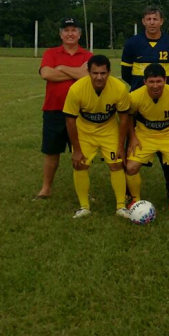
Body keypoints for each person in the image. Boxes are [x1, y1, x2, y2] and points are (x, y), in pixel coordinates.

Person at [120, 5, 169, 203]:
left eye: (155, 19)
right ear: (143, 21)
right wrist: (138, 88)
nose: (151, 22)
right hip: (140, 105)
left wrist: (167, 89)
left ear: (161, 21)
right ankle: (128, 194)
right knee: (130, 149)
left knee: (168, 159)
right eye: (148, 19)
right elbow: (125, 73)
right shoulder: (133, 43)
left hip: (164, 107)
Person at [63, 55, 131, 219]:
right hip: (85, 131)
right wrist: (77, 149)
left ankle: (121, 206)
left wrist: (121, 146)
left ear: (109, 72)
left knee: (116, 165)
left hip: (109, 130)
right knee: (80, 165)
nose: (99, 77)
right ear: (88, 72)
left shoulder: (119, 88)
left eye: (103, 73)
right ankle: (84, 206)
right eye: (95, 73)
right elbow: (70, 121)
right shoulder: (76, 89)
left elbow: (123, 119)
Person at [36, 17, 93, 199]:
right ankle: (46, 189)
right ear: (61, 34)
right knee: (52, 152)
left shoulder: (88, 56)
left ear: (80, 34)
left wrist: (62, 68)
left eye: (74, 30)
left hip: (81, 111)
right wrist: (76, 71)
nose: (70, 34)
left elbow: (88, 77)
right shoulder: (50, 53)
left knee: (81, 152)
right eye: (66, 30)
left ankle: (83, 191)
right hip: (54, 109)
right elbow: (46, 74)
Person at [124, 64, 169, 214]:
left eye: (159, 81)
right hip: (145, 135)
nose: (155, 85)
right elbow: (128, 116)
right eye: (151, 82)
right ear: (145, 81)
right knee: (131, 167)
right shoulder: (134, 96)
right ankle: (135, 199)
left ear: (165, 80)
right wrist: (132, 138)